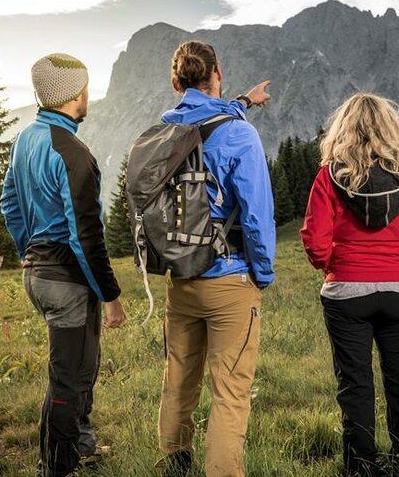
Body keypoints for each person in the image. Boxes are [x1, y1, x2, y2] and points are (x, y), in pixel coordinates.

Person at [301, 92, 399, 476]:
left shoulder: (329, 178)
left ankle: (361, 467)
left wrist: (333, 265)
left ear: (342, 130)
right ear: (391, 129)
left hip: (346, 292)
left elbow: (315, 242)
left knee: (355, 385)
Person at [0, 53, 126, 477]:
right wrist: (110, 296)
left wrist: (27, 253)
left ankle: (82, 444)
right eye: (87, 88)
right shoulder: (72, 152)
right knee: (67, 380)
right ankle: (56, 467)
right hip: (67, 280)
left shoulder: (24, 140)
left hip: (37, 274)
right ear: (76, 94)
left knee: (83, 364)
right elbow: (85, 236)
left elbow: (9, 204)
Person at [155, 40, 276, 477]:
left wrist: (244, 100)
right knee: (229, 392)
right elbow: (258, 213)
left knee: (179, 380)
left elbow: (206, 115)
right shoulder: (239, 134)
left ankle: (174, 463)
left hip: (180, 278)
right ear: (217, 74)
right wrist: (261, 275)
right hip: (229, 279)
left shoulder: (165, 131)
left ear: (175, 82)